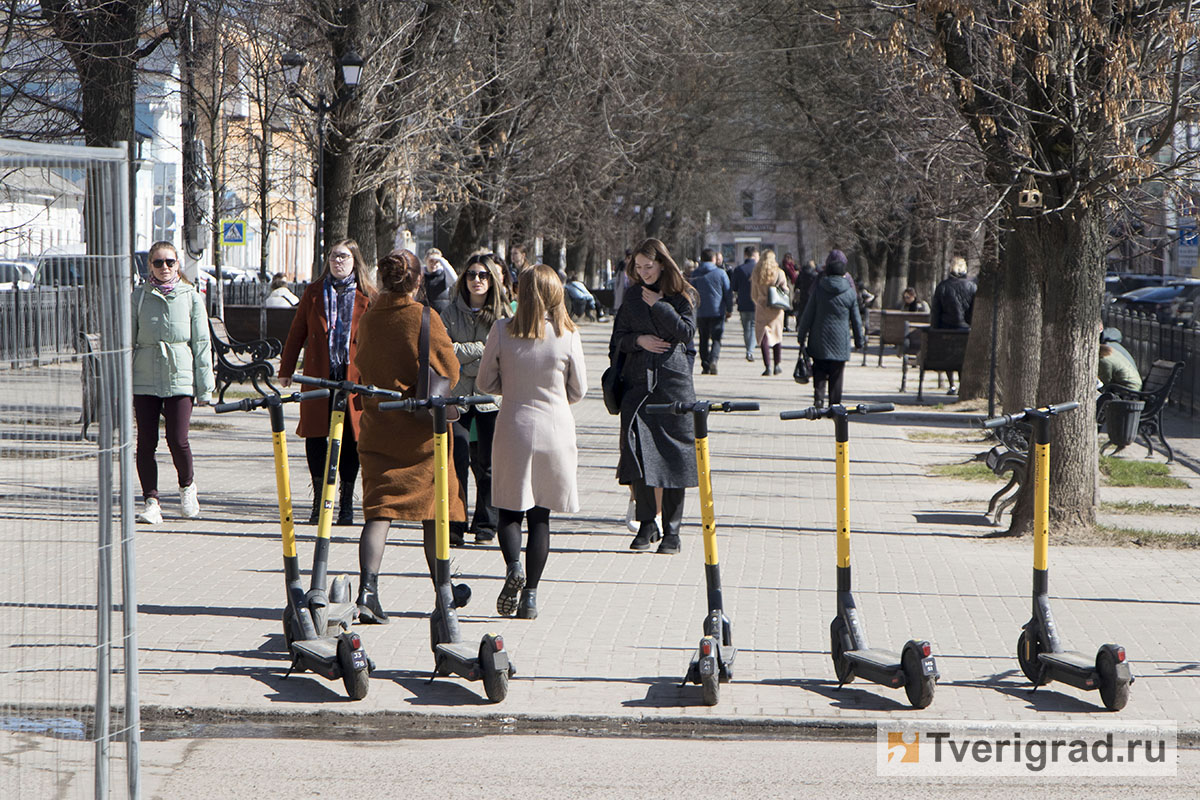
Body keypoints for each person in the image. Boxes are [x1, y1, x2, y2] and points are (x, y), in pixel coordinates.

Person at [352, 248, 465, 624]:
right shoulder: (424, 317)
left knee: (379, 511)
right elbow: (448, 369)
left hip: (380, 426)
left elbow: (362, 365)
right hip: (422, 435)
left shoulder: (368, 319)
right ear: (418, 281)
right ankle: (444, 594)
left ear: (383, 280)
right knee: (435, 513)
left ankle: (368, 591)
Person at [476, 264, 587, 619]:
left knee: (509, 509)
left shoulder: (502, 330)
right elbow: (579, 389)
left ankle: (513, 568)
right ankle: (531, 597)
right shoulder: (568, 334)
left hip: (514, 424)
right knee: (541, 517)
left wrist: (510, 388)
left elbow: (484, 382)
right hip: (555, 428)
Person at [610, 238, 698, 555]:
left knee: (675, 458)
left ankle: (672, 531)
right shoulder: (632, 297)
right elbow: (617, 341)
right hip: (638, 387)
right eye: (638, 267)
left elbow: (687, 334)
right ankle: (647, 523)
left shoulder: (679, 296)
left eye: (649, 266)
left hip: (673, 386)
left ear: (662, 263)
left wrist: (659, 305)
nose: (644, 272)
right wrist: (640, 341)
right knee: (637, 454)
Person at [279, 239, 373, 525]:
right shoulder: (314, 293)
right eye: (334, 256)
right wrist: (286, 369)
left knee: (350, 439)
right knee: (317, 436)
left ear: (355, 261)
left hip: (352, 378)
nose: (338, 262)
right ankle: (320, 501)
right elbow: (297, 333)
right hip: (319, 376)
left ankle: (345, 502)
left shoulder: (367, 295)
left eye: (344, 257)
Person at [132, 240, 215, 525]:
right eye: (158, 262)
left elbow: (202, 343)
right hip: (144, 377)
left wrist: (205, 387)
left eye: (170, 262)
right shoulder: (139, 297)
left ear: (178, 265)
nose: (165, 267)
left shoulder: (190, 296)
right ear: (150, 266)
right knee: (146, 442)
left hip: (180, 375)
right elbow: (127, 341)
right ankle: (151, 501)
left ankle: (187, 487)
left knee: (177, 439)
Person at [442, 252, 510, 545]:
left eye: (483, 275)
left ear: (492, 280)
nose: (477, 280)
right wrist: (481, 350)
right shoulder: (449, 312)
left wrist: (468, 353)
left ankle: (486, 524)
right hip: (456, 397)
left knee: (488, 464)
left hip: (490, 397)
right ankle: (455, 525)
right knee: (455, 460)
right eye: (471, 274)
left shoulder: (502, 315)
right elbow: (446, 351)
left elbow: (503, 355)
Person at [795, 249, 864, 408]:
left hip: (819, 338)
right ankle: (835, 404)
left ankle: (819, 399)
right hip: (840, 341)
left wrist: (801, 335)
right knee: (837, 373)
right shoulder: (849, 293)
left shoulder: (819, 288)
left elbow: (808, 314)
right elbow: (856, 319)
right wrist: (859, 340)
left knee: (819, 368)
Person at [930, 256, 976, 393]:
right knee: (963, 357)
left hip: (946, 330)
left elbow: (936, 312)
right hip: (966, 330)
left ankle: (952, 385)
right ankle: (962, 384)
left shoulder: (942, 287)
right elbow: (973, 312)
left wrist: (934, 330)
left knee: (948, 356)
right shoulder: (973, 287)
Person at [689, 247, 732, 375]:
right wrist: (729, 309)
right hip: (717, 311)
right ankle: (714, 359)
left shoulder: (696, 273)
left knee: (703, 338)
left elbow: (691, 292)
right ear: (714, 259)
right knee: (716, 338)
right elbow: (727, 292)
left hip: (701, 311)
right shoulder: (721, 273)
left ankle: (705, 365)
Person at [751, 249, 789, 375]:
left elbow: (754, 294)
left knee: (763, 335)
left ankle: (767, 366)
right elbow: (785, 290)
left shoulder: (756, 273)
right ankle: (777, 364)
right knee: (777, 334)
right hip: (776, 308)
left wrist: (759, 300)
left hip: (762, 306)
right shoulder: (779, 273)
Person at [730, 245, 759, 361]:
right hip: (757, 303)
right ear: (755, 255)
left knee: (746, 328)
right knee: (754, 327)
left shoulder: (739, 269)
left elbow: (734, 287)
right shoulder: (758, 269)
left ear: (745, 255)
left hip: (743, 302)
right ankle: (750, 351)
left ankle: (749, 349)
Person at [421, 248, 457, 315]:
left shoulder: (444, 275)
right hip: (425, 314)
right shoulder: (421, 276)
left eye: (436, 261)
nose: (433, 264)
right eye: (431, 261)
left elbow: (454, 279)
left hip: (442, 314)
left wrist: (441, 259)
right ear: (426, 260)